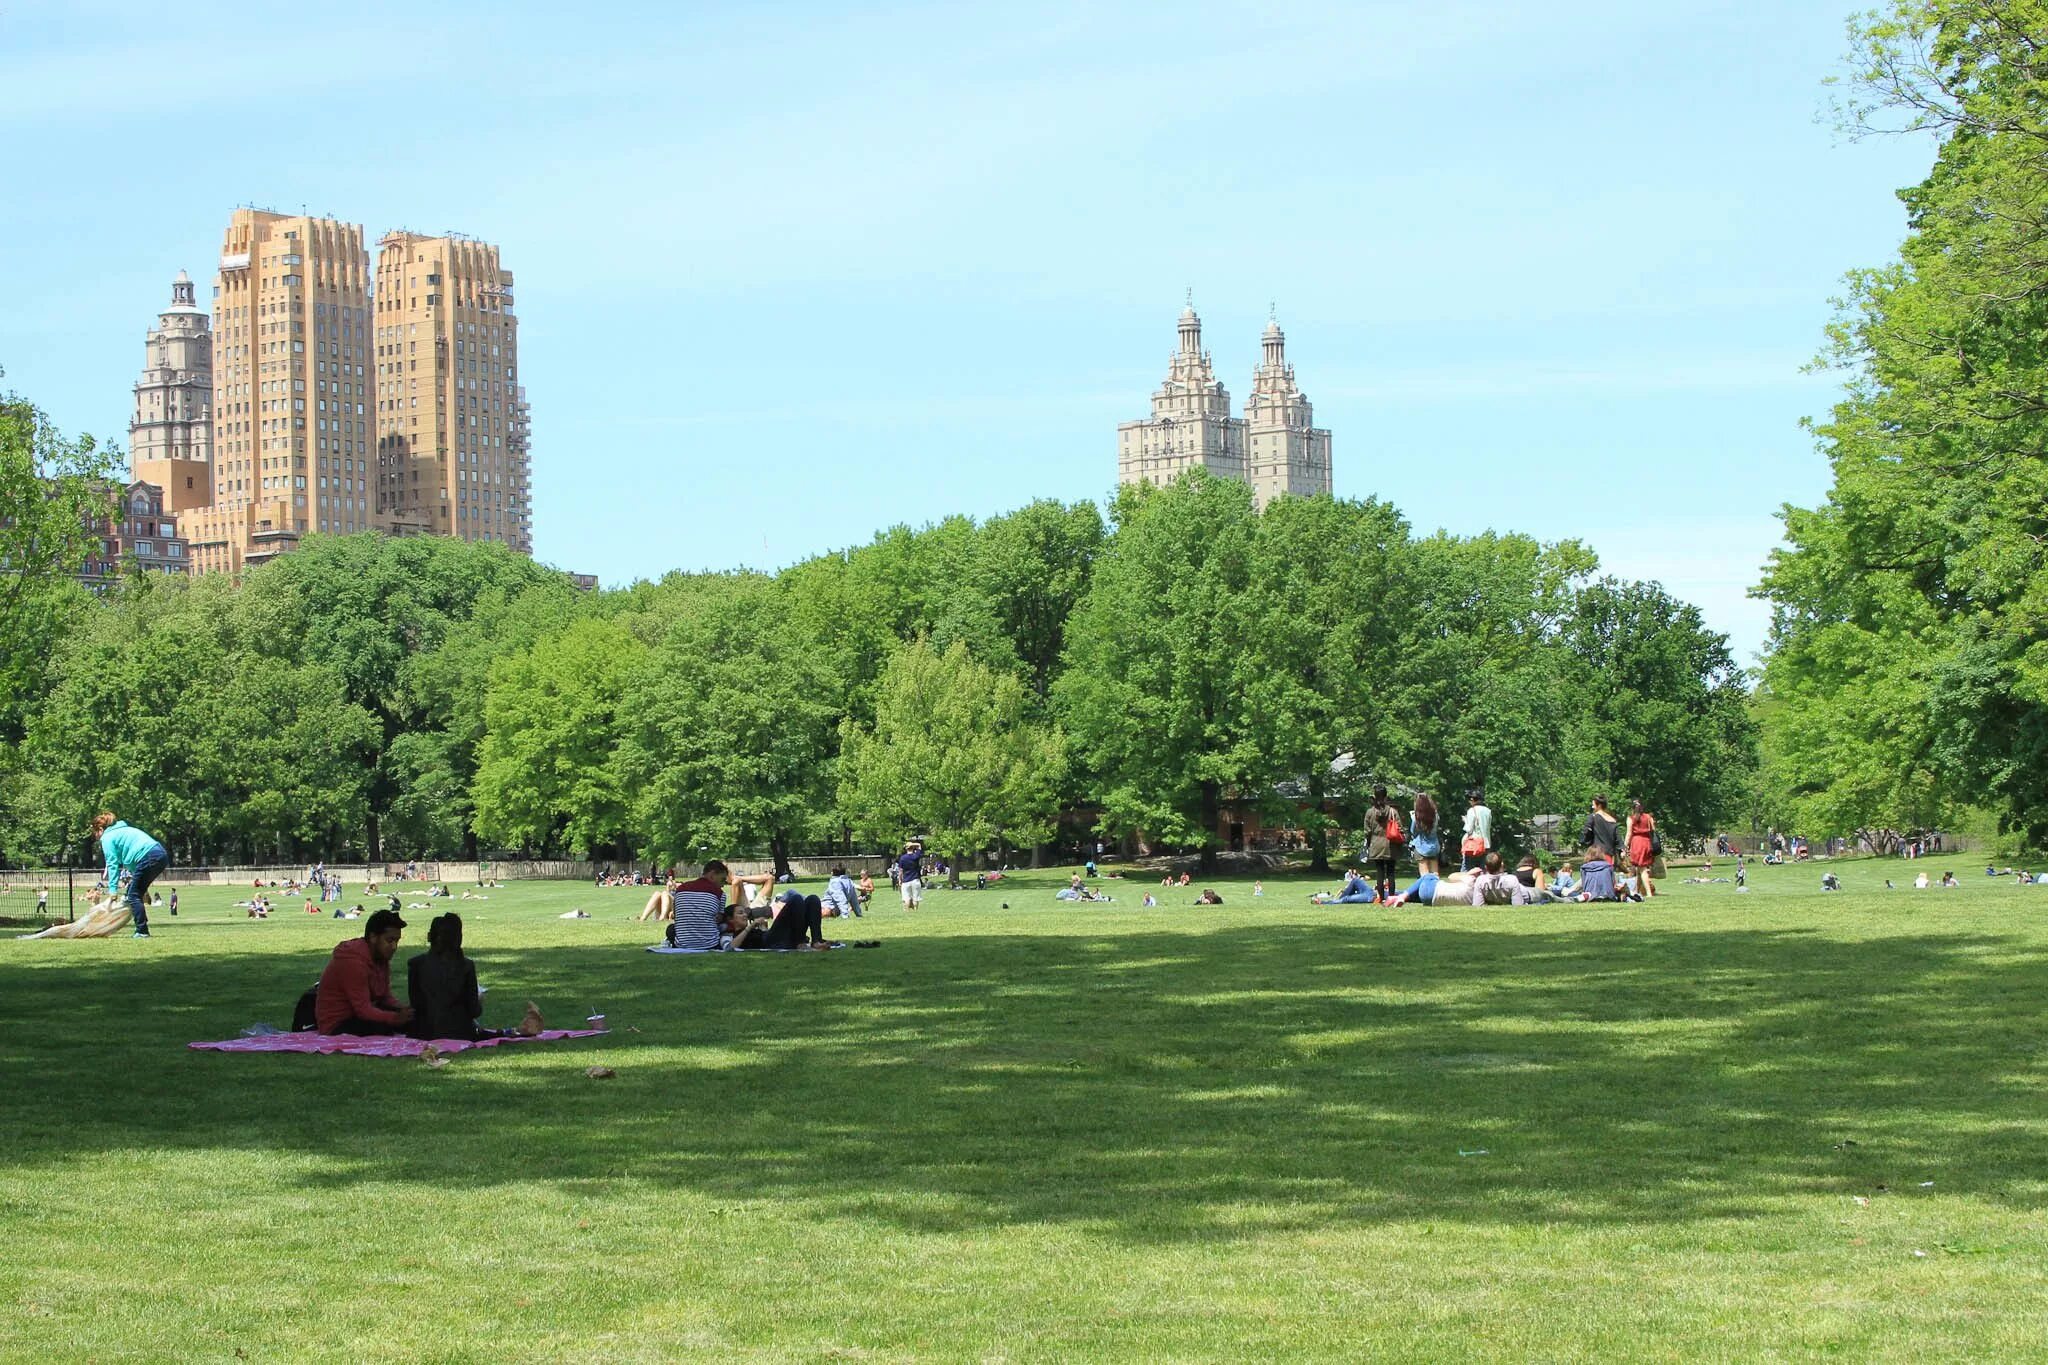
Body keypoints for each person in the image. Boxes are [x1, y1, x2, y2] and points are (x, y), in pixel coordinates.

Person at [315, 908, 415, 1035]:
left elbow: (384, 996)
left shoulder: (380, 957)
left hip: (360, 1015)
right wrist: (394, 1018)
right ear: (373, 937)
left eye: (397, 941)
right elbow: (363, 1009)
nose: (394, 947)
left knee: (414, 1022)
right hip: (338, 1023)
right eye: (389, 941)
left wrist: (404, 1010)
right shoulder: (353, 962)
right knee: (383, 1030)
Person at [406, 912, 490, 1041]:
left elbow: (416, 1004)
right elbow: (474, 1010)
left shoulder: (415, 964)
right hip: (460, 1033)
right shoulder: (466, 966)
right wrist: (479, 1000)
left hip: (423, 1033)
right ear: (459, 938)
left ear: (429, 937)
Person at [92, 812, 169, 940]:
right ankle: (141, 924)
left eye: (95, 833)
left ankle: (142, 931)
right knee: (134, 893)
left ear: (100, 829)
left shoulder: (108, 837)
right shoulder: (125, 829)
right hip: (160, 854)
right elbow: (134, 859)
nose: (96, 836)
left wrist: (112, 890)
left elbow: (112, 864)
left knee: (133, 895)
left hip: (148, 856)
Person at [666, 860, 733, 950]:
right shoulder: (720, 894)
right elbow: (719, 920)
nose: (723, 885)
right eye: (722, 880)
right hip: (711, 945)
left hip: (682, 945)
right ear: (712, 875)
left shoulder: (681, 889)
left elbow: (676, 915)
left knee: (671, 928)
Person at [1362, 785, 1403, 901]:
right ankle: (1391, 897)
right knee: (1391, 873)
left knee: (1379, 872)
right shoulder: (1393, 812)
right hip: (1391, 845)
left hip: (1376, 844)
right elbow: (1400, 828)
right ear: (1386, 796)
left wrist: (1369, 843)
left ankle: (1380, 897)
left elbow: (1367, 831)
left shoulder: (1370, 812)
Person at [1465, 852, 1532, 906]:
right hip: (1529, 894)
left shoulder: (1480, 881)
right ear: (1502, 865)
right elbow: (1518, 904)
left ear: (1486, 867)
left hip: (1527, 893)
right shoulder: (1511, 879)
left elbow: (1477, 904)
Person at [1627, 799, 1659, 900]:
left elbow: (1629, 834)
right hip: (1646, 842)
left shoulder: (1631, 818)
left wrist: (1624, 846)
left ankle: (1648, 892)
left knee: (1642, 869)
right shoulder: (1648, 817)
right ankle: (1636, 891)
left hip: (1637, 842)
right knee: (1640, 868)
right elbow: (1653, 829)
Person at [1581, 795, 1621, 865]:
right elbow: (1618, 839)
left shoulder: (1593, 817)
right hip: (1609, 854)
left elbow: (1586, 832)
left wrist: (1583, 842)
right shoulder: (1613, 820)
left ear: (1599, 805)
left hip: (1596, 854)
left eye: (1593, 805)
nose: (1592, 807)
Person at [1410, 791, 1441, 877]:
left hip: (1421, 846)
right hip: (1434, 846)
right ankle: (1435, 889)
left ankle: (1425, 890)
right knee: (1435, 874)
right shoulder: (1435, 815)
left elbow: (1413, 832)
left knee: (1424, 875)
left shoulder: (1416, 817)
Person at [1461, 790, 1492, 872]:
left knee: (1467, 869)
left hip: (1474, 844)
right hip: (1485, 844)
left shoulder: (1471, 810)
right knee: (1483, 870)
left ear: (1472, 799)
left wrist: (1465, 821)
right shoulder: (1488, 811)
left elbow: (1469, 829)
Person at [896, 841, 925, 911]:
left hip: (906, 880)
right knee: (915, 898)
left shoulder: (902, 858)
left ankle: (907, 912)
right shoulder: (916, 856)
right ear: (913, 848)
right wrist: (913, 844)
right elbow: (919, 845)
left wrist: (900, 880)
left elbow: (900, 871)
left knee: (906, 898)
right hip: (915, 879)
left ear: (906, 849)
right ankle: (915, 911)